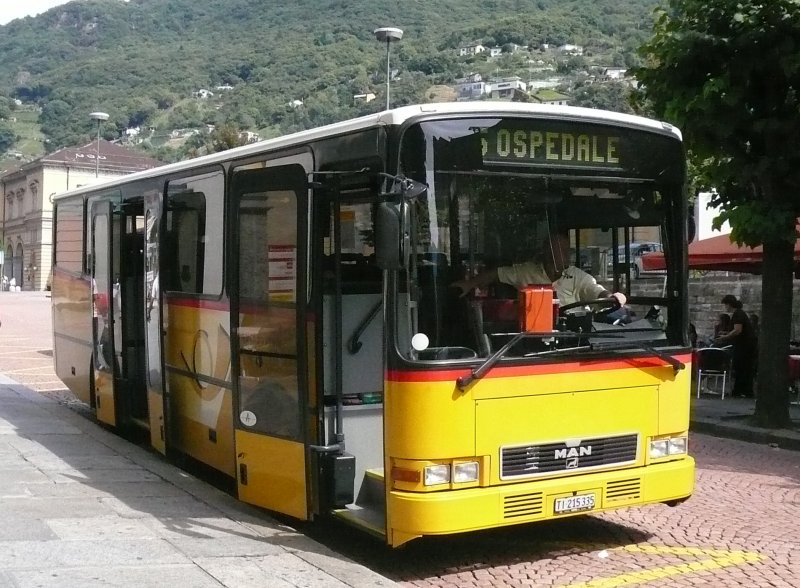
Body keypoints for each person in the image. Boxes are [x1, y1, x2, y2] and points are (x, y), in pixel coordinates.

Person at [451, 232, 626, 308]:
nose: (567, 255)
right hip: (533, 338)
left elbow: (596, 291)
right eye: (562, 251)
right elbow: (496, 274)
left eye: (568, 251)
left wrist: (610, 297)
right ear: (547, 252)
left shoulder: (577, 276)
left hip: (575, 338)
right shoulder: (526, 271)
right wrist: (469, 284)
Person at [714, 294, 756, 397]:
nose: (725, 307)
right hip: (746, 345)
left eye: (725, 305)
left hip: (744, 346)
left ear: (729, 304)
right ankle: (742, 390)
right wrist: (726, 333)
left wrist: (725, 337)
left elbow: (737, 330)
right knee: (743, 368)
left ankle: (741, 390)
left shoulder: (738, 315)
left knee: (741, 367)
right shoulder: (739, 314)